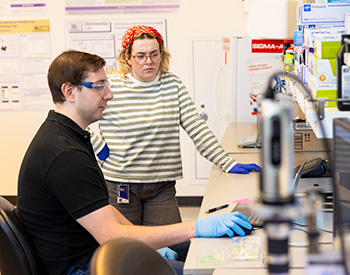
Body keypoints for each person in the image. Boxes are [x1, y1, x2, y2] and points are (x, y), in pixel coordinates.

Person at [17, 50, 253, 275]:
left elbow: (104, 211)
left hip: (96, 250)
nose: (108, 94)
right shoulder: (65, 155)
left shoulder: (70, 135)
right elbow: (111, 236)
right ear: (69, 91)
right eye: (99, 86)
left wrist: (153, 241)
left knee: (203, 249)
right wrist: (198, 227)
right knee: (205, 269)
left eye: (106, 85)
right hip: (82, 266)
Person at [89, 25, 261, 226]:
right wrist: (95, 144)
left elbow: (197, 127)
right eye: (140, 56)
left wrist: (227, 162)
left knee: (171, 245)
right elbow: (74, 116)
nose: (149, 62)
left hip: (161, 186)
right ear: (127, 57)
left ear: (162, 54)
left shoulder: (172, 84)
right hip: (120, 184)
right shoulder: (111, 86)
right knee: (128, 249)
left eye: (154, 54)